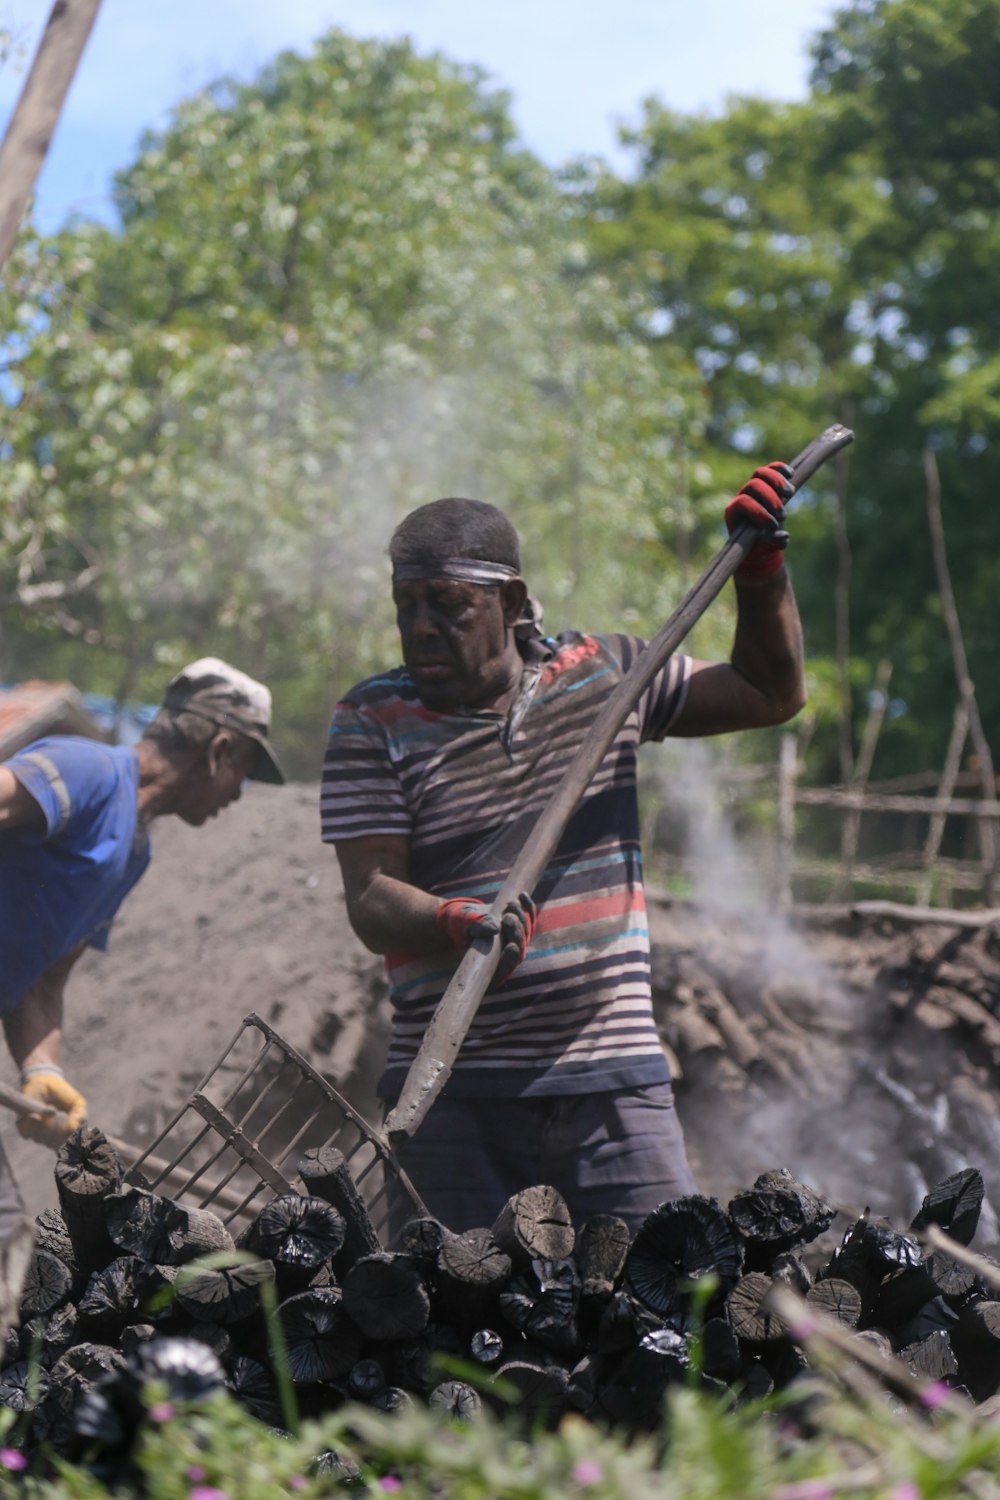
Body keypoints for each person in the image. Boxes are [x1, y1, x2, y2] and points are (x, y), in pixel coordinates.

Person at [321, 462, 805, 1235]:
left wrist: (762, 575)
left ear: (510, 602)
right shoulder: (372, 719)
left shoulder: (609, 677)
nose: (419, 627)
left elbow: (768, 693)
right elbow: (372, 895)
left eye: (446, 605)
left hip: (612, 1089)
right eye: (405, 604)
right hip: (451, 1095)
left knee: (664, 1313)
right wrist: (454, 921)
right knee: (448, 1337)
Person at [0, 657, 284, 1246]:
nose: (242, 790)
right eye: (247, 769)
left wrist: (41, 1071)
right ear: (220, 751)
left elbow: (42, 983)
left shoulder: (133, 851)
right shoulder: (88, 772)